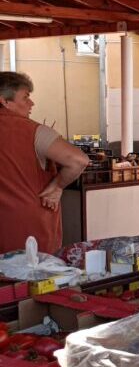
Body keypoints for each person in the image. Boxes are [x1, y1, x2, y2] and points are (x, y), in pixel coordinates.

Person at [0, 72, 89, 254]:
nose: (31, 103)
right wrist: (57, 186)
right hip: (29, 231)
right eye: (25, 97)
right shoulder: (34, 131)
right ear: (5, 101)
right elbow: (78, 160)